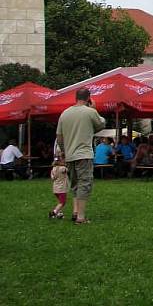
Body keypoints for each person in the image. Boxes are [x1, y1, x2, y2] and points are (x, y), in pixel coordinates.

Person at [56, 88, 106, 224]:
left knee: (75, 184)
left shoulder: (64, 113)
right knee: (85, 183)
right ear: (89, 98)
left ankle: (75, 211)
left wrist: (64, 151)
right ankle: (81, 217)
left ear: (75, 97)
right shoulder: (90, 112)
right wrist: (95, 109)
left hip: (70, 154)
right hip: (84, 154)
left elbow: (59, 136)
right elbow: (101, 124)